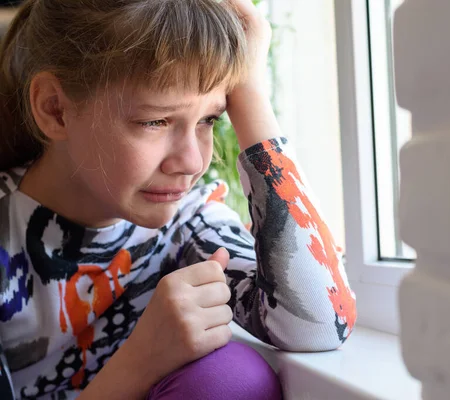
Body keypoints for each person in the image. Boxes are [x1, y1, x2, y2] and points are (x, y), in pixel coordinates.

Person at [0, 0, 357, 399]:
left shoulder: (188, 222)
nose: (192, 162)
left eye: (209, 119)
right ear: (56, 109)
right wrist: (139, 362)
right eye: (155, 121)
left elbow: (323, 322)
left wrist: (249, 88)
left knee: (232, 378)